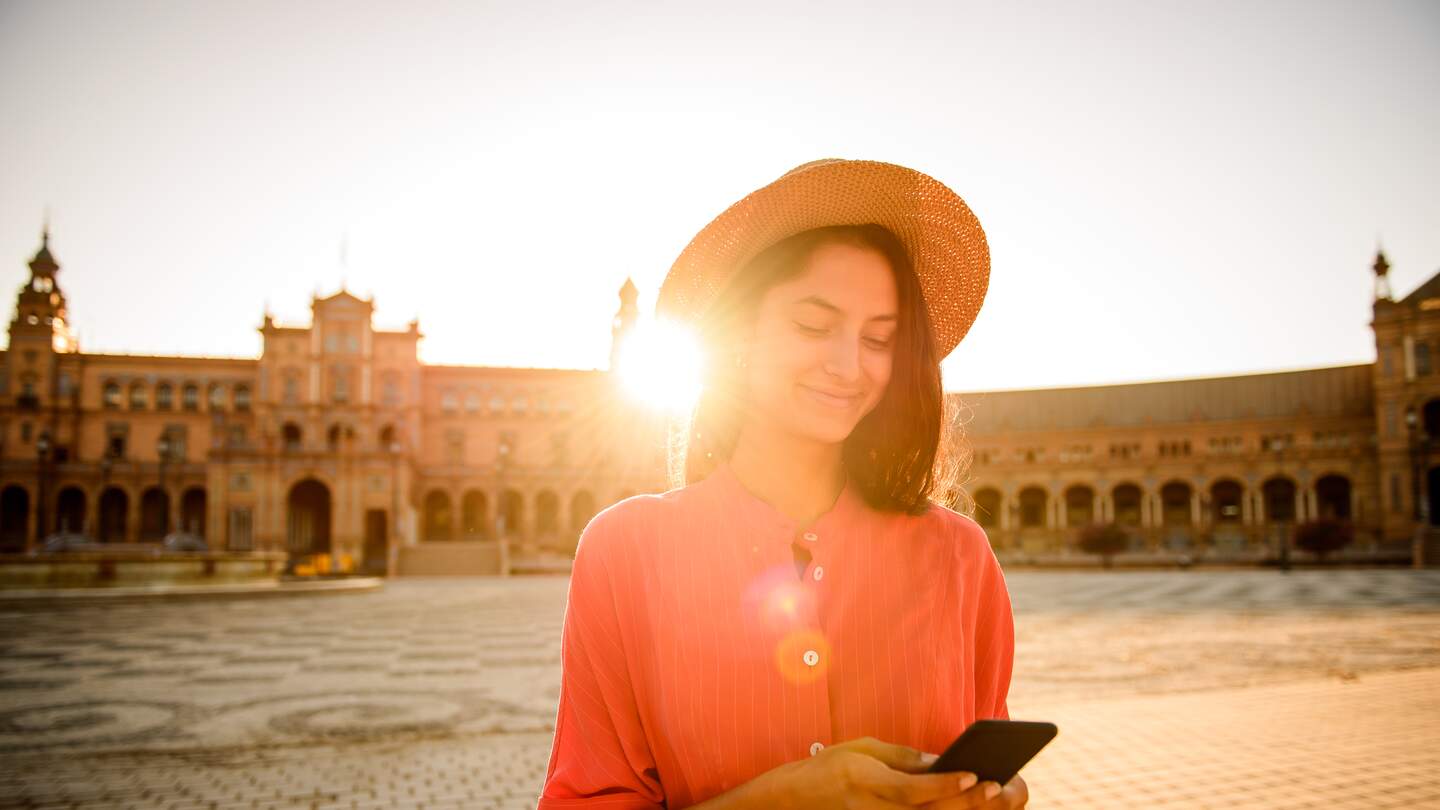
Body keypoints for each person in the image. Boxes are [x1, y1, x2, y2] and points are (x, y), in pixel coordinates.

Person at [538, 159, 1025, 809]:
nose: (848, 365)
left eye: (880, 338)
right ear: (737, 333)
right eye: (813, 326)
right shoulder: (626, 551)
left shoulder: (959, 557)